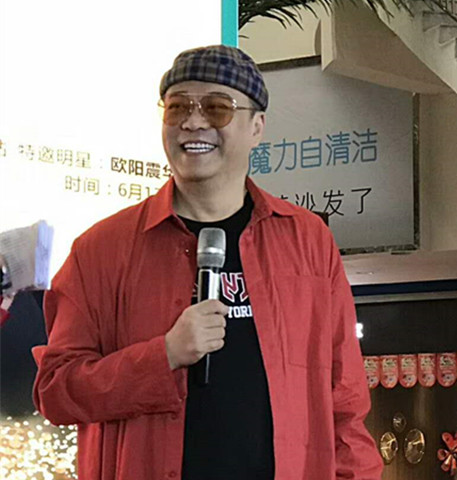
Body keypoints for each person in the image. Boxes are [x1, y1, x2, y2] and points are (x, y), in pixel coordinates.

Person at [32, 45, 382, 480]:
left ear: (257, 127)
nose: (193, 122)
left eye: (217, 108)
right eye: (177, 107)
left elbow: (344, 399)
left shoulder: (307, 240)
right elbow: (57, 391)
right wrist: (163, 355)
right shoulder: (101, 249)